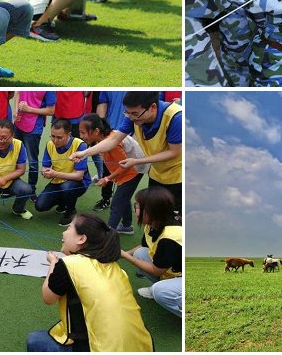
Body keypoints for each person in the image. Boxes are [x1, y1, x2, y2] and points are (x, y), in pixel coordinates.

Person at [26, 213, 153, 351]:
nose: (64, 233)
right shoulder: (117, 269)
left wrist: (53, 264)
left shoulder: (68, 264)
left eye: (69, 228)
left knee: (35, 340)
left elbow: (48, 298)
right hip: (142, 346)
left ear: (81, 238)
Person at [72, 91, 181, 211]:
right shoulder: (133, 116)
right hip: (157, 173)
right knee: (155, 211)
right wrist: (84, 153)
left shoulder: (176, 118)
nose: (130, 117)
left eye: (134, 113)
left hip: (178, 176)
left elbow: (174, 152)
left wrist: (137, 161)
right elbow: (114, 139)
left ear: (153, 107)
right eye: (127, 113)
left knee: (173, 216)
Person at [79, 114, 147, 234]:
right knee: (122, 197)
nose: (81, 136)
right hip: (128, 168)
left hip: (134, 170)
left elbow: (124, 166)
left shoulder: (112, 144)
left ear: (96, 131)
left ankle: (107, 235)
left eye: (84, 132)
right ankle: (126, 226)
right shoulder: (102, 139)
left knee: (117, 202)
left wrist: (107, 178)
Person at [121, 187, 181, 317]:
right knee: (140, 253)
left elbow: (156, 271)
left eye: (137, 206)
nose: (135, 210)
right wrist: (124, 253)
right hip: (172, 270)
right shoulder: (153, 223)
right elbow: (143, 246)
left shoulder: (171, 236)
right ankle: (165, 287)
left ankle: (184, 309)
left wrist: (125, 256)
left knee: (160, 291)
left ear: (150, 211)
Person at [34, 119, 90, 226]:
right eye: (53, 136)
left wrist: (54, 174)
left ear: (69, 134)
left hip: (78, 183)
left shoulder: (79, 145)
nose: (55, 140)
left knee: (67, 187)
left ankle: (70, 212)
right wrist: (45, 172)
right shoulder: (49, 144)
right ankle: (63, 202)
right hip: (57, 181)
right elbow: (45, 166)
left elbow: (79, 176)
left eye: (59, 137)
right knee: (40, 206)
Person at [14, 92, 56, 196]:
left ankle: (31, 190)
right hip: (18, 123)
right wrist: (15, 110)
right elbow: (17, 92)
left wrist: (28, 109)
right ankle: (12, 187)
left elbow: (51, 110)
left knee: (32, 161)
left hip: (34, 128)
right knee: (13, 157)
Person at [91, 90, 127, 211]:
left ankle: (124, 205)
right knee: (108, 168)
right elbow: (102, 103)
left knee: (128, 173)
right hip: (111, 132)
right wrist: (101, 126)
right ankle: (106, 198)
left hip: (131, 136)